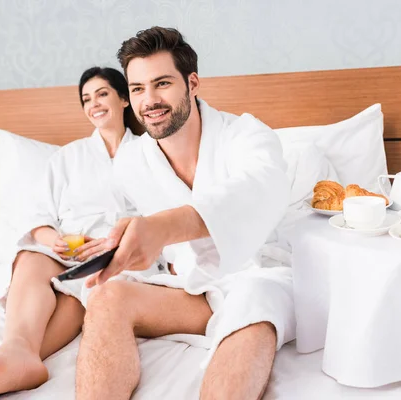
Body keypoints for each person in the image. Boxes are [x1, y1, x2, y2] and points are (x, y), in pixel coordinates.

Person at [74, 27, 295, 400]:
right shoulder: (130, 161)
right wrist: (127, 244)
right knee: (107, 298)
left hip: (260, 277)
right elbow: (140, 234)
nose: (150, 101)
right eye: (138, 88)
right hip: (192, 289)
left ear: (192, 83)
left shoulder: (246, 135)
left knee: (253, 303)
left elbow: (258, 189)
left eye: (162, 83)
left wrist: (161, 228)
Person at [0, 67, 152, 400]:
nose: (94, 104)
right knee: (31, 257)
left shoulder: (151, 153)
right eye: (86, 99)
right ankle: (15, 352)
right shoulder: (67, 158)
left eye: (102, 94)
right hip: (65, 248)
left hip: (117, 254)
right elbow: (37, 216)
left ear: (124, 99)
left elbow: (162, 214)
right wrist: (53, 241)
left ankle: (7, 366)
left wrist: (118, 242)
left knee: (83, 292)